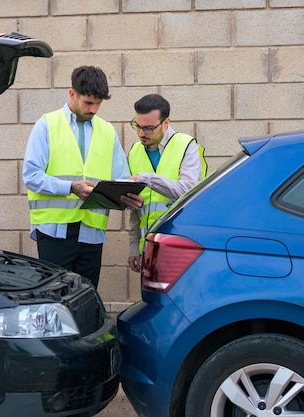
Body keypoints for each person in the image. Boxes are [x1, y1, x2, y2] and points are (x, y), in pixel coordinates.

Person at [22, 65, 141, 288]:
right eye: (88, 102)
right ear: (72, 94)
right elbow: (31, 176)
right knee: (54, 301)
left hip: (92, 233)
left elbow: (121, 177)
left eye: (98, 103)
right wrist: (70, 187)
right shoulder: (47, 125)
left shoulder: (107, 131)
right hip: (54, 232)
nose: (94, 109)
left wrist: (129, 194)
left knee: (86, 300)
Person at [126, 94, 207, 272]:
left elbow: (187, 191)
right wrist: (133, 248)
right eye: (137, 126)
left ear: (166, 122)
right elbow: (135, 209)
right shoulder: (135, 151)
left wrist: (147, 179)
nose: (141, 133)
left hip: (179, 249)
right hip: (147, 249)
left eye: (148, 128)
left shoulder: (186, 146)